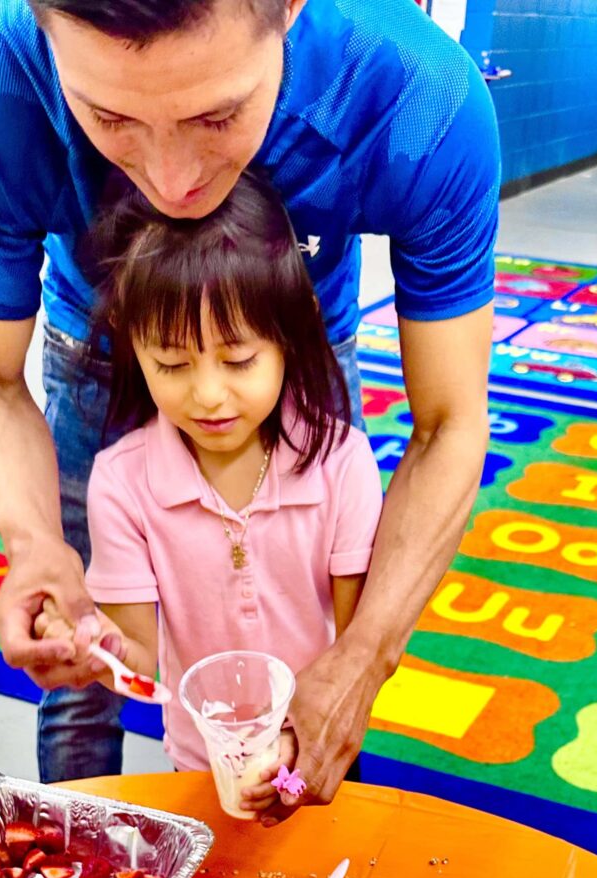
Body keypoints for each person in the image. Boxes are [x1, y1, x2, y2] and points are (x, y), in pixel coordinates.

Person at [0, 0, 498, 813]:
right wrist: (32, 540)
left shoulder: (416, 95)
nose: (171, 182)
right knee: (83, 662)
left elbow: (450, 422)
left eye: (217, 115)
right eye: (109, 116)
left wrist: (364, 655)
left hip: (295, 350)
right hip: (96, 349)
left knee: (328, 654)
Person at [35, 172, 382, 817]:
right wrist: (88, 644)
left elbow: (358, 640)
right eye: (171, 364)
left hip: (316, 744)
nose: (209, 395)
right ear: (130, 345)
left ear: (289, 335)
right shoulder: (122, 481)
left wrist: (294, 747)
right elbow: (136, 653)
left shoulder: (342, 463)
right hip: (199, 762)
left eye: (239, 359)